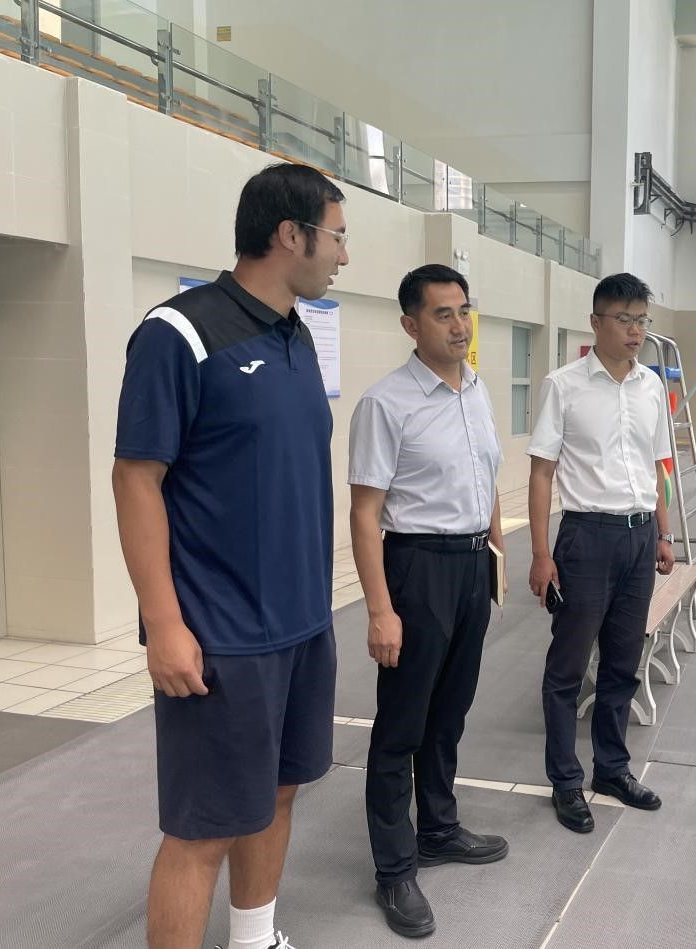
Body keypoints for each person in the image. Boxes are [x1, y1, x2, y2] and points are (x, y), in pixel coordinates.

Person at [112, 162, 348, 949]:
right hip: (222, 634)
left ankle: (255, 938)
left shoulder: (297, 335)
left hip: (302, 622)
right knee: (202, 829)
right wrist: (163, 624)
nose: (343, 255)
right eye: (337, 237)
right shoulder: (178, 333)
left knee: (278, 792)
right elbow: (136, 479)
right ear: (291, 235)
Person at [348, 264, 508, 939]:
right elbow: (364, 514)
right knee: (402, 725)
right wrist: (381, 610)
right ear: (410, 324)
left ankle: (438, 829)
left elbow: (487, 475)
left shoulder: (477, 390)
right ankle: (394, 867)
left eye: (464, 310)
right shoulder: (386, 403)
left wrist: (495, 548)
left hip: (471, 566)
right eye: (443, 313)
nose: (459, 325)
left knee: (449, 713)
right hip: (416, 567)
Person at [527, 272, 675, 834]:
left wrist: (663, 534)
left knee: (621, 663)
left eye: (642, 320)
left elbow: (657, 467)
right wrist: (541, 554)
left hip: (639, 539)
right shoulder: (563, 385)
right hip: (585, 537)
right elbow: (542, 473)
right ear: (596, 322)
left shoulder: (651, 387)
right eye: (624, 319)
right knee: (568, 668)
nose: (636, 331)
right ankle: (566, 780)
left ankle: (611, 769)